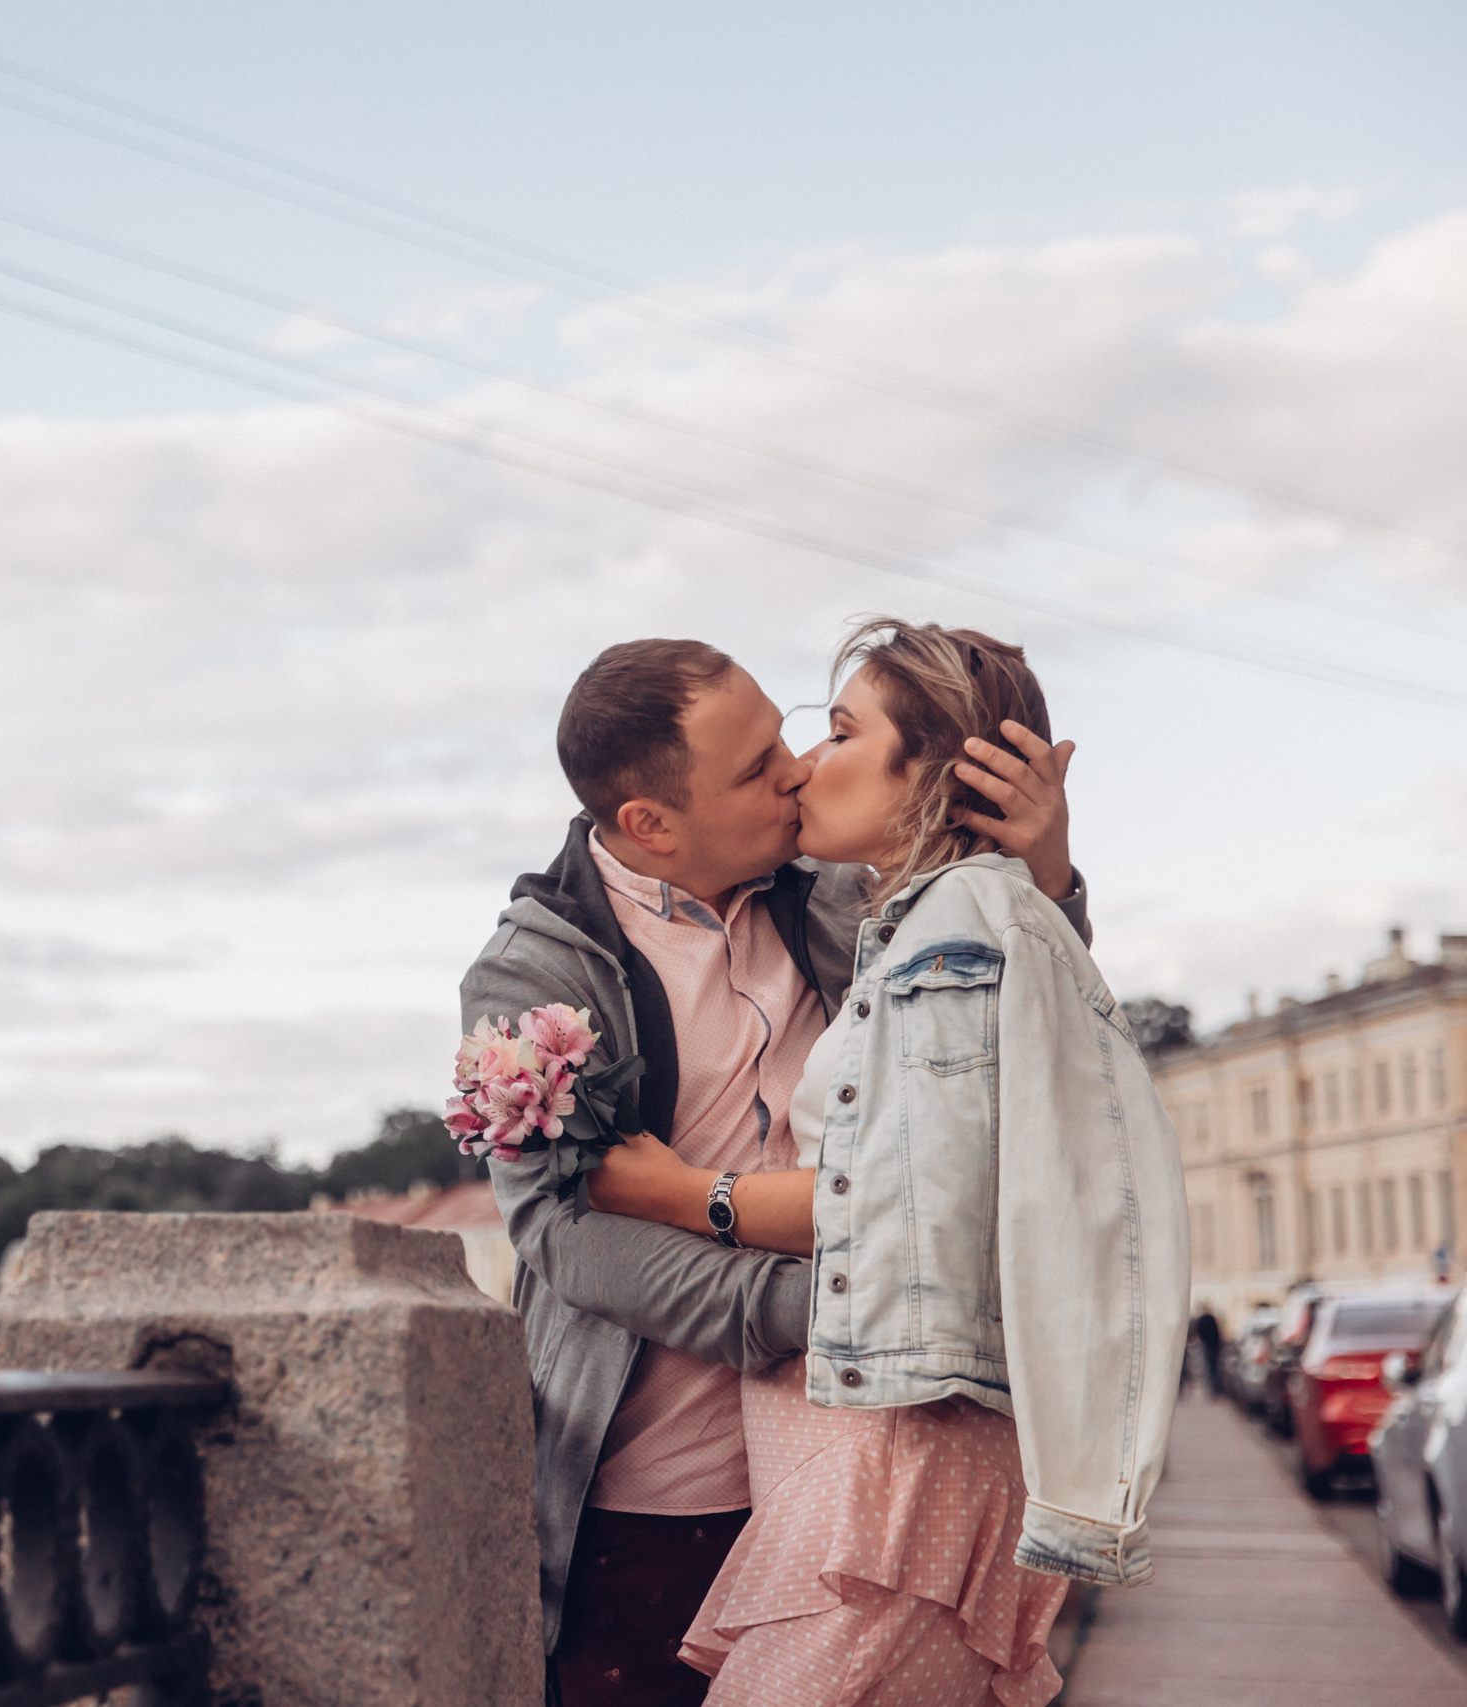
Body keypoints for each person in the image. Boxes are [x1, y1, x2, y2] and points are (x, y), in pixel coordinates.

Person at [462, 636, 1090, 1707]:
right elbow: (567, 1236)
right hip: (649, 1499)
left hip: (861, 1482)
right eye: (757, 767)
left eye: (795, 737)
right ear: (648, 823)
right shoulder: (538, 970)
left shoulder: (843, 889)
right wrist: (833, 1302)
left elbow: (1008, 1059)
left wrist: (1045, 876)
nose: (797, 768)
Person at [587, 620, 1189, 1705]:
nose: (804, 767)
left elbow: (894, 1205)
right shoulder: (902, 916)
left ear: (938, 777)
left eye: (839, 734)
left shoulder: (949, 935)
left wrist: (685, 1196)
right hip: (859, 1482)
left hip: (895, 1482)